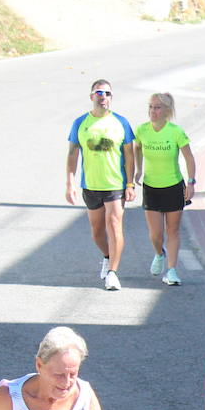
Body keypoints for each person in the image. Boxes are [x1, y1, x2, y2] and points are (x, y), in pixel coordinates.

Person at [66, 78, 135, 292]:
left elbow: (130, 156)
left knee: (114, 225)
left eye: (107, 93)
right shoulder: (80, 123)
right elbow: (72, 153)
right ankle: (107, 256)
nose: (103, 97)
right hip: (91, 185)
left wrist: (130, 184)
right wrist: (70, 183)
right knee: (97, 231)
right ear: (91, 96)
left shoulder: (121, 123)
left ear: (111, 98)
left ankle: (113, 273)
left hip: (115, 184)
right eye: (99, 93)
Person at [133, 92, 196, 287]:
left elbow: (189, 158)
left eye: (158, 107)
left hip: (173, 186)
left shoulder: (175, 132)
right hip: (151, 187)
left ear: (167, 111)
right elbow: (136, 148)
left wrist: (191, 182)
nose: (153, 111)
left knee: (173, 230)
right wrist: (138, 170)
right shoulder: (142, 130)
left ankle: (171, 270)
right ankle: (160, 254)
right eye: (151, 107)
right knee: (155, 234)